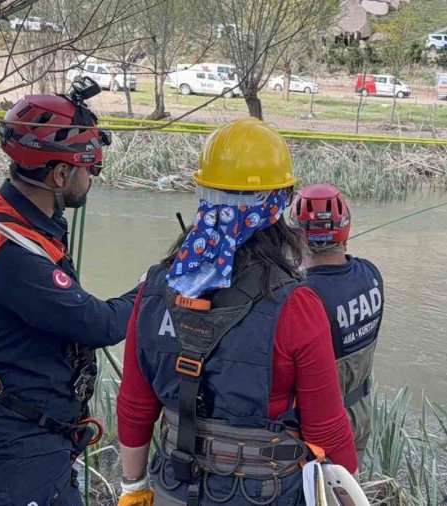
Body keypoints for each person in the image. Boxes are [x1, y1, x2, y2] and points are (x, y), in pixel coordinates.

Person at [116, 118, 357, 506]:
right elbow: (327, 430)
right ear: (280, 203)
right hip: (263, 494)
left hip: (172, 488)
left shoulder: (156, 288)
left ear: (203, 194)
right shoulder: (296, 306)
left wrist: (132, 486)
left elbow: (135, 403)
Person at [0, 87, 138, 505]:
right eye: (88, 170)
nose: (91, 179)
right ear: (60, 176)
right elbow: (100, 324)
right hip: (6, 451)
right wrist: (154, 283)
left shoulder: (13, 221)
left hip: (16, 436)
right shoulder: (9, 250)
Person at [289, 183, 384, 463]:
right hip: (361, 412)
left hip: (321, 427)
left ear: (295, 234)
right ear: (346, 229)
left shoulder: (301, 297)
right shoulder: (371, 275)